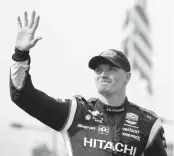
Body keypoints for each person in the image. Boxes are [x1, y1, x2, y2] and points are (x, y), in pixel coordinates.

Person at [10, 11, 168, 156]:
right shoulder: (75, 112)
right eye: (98, 70)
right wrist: (20, 54)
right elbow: (22, 95)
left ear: (127, 77)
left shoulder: (148, 123)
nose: (103, 75)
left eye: (112, 69)